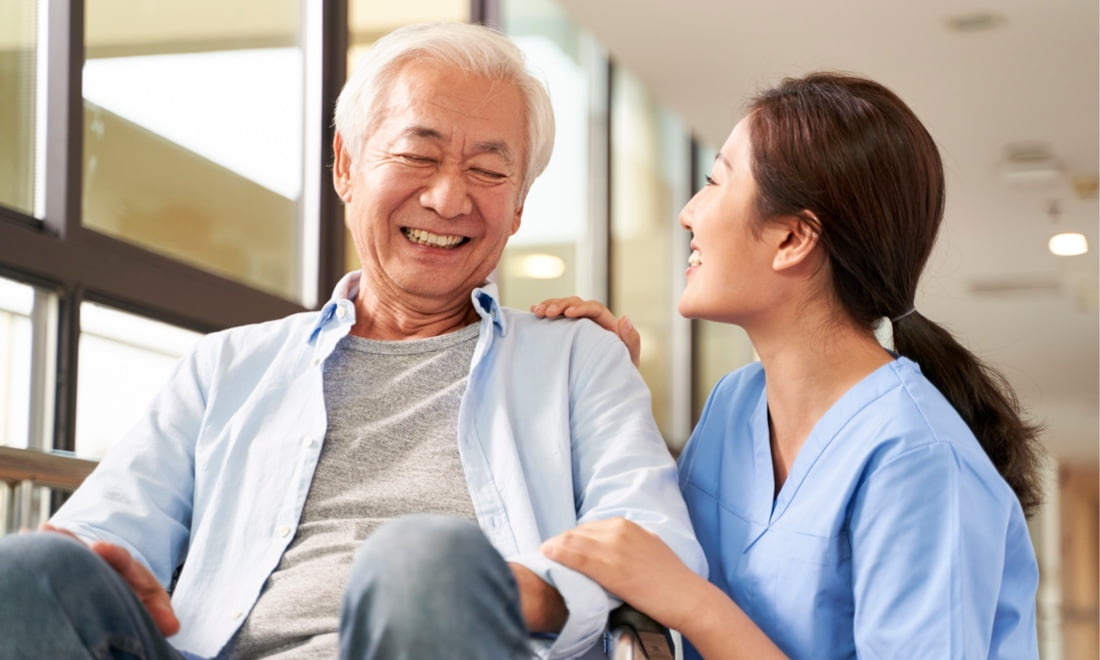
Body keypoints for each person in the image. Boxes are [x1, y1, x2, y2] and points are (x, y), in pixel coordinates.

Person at [0, 22, 705, 660]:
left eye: (490, 171)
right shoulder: (229, 366)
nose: (448, 198)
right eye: (418, 154)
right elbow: (105, 531)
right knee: (32, 567)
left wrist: (510, 588)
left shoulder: (577, 357)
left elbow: (653, 538)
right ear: (346, 165)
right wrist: (94, 565)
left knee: (424, 557)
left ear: (518, 205)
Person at [536, 72, 1043, 658]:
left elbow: (672, 586)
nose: (688, 213)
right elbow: (645, 553)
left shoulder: (918, 458)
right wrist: (610, 399)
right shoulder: (735, 405)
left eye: (714, 182)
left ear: (793, 239)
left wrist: (692, 603)